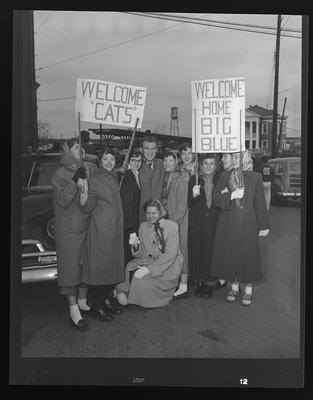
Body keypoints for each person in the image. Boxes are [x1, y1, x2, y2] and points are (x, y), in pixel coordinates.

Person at [210, 150, 270, 306]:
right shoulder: (225, 176)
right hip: (228, 222)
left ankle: (248, 291)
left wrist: (263, 224)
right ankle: (234, 288)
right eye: (233, 157)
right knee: (230, 255)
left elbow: (259, 202)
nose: (235, 160)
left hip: (248, 222)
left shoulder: (255, 177)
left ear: (245, 158)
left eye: (237, 157)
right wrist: (230, 196)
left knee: (247, 256)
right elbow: (215, 197)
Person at [52, 138, 96, 331]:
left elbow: (87, 201)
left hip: (85, 224)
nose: (81, 149)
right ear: (68, 151)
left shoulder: (87, 169)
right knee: (70, 269)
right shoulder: (60, 173)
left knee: (86, 264)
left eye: (81, 147)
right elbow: (62, 200)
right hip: (68, 229)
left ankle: (83, 299)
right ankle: (73, 309)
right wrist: (74, 181)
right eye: (76, 147)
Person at [79, 148, 124, 321]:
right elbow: (86, 206)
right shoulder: (95, 180)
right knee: (101, 268)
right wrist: (83, 192)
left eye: (112, 159)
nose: (109, 162)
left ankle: (105, 300)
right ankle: (96, 305)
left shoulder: (113, 177)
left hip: (114, 230)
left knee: (111, 266)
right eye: (106, 159)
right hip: (101, 231)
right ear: (100, 160)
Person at [115, 199, 183, 308]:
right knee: (128, 267)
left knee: (142, 281)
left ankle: (132, 294)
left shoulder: (172, 226)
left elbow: (171, 255)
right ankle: (121, 290)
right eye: (147, 213)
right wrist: (136, 245)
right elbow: (142, 253)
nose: (150, 216)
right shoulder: (143, 226)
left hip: (167, 267)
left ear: (161, 212)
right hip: (148, 261)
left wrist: (149, 269)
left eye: (154, 213)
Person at [187, 154, 222, 299]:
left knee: (211, 252)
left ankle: (209, 283)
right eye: (205, 163)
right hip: (198, 222)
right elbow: (190, 204)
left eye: (211, 164)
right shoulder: (195, 180)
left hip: (214, 222)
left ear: (216, 165)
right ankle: (199, 281)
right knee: (198, 251)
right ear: (201, 165)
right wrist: (193, 195)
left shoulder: (220, 180)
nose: (208, 166)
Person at [159, 150, 189, 299]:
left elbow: (182, 205)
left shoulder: (181, 178)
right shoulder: (166, 176)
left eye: (171, 160)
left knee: (182, 251)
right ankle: (176, 282)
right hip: (168, 220)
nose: (167, 163)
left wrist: (172, 224)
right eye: (165, 160)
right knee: (173, 251)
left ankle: (184, 286)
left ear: (176, 161)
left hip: (178, 222)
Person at [118, 150, 142, 267]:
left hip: (132, 222)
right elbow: (127, 204)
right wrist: (132, 229)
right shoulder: (127, 177)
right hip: (129, 224)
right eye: (133, 160)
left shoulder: (134, 175)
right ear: (127, 161)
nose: (136, 163)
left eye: (139, 161)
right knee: (129, 253)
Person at [138, 135, 165, 223]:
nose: (150, 152)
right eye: (146, 148)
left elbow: (178, 170)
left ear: (157, 149)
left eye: (153, 148)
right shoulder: (135, 165)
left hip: (159, 214)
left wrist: (185, 173)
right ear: (141, 149)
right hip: (141, 214)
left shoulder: (163, 164)